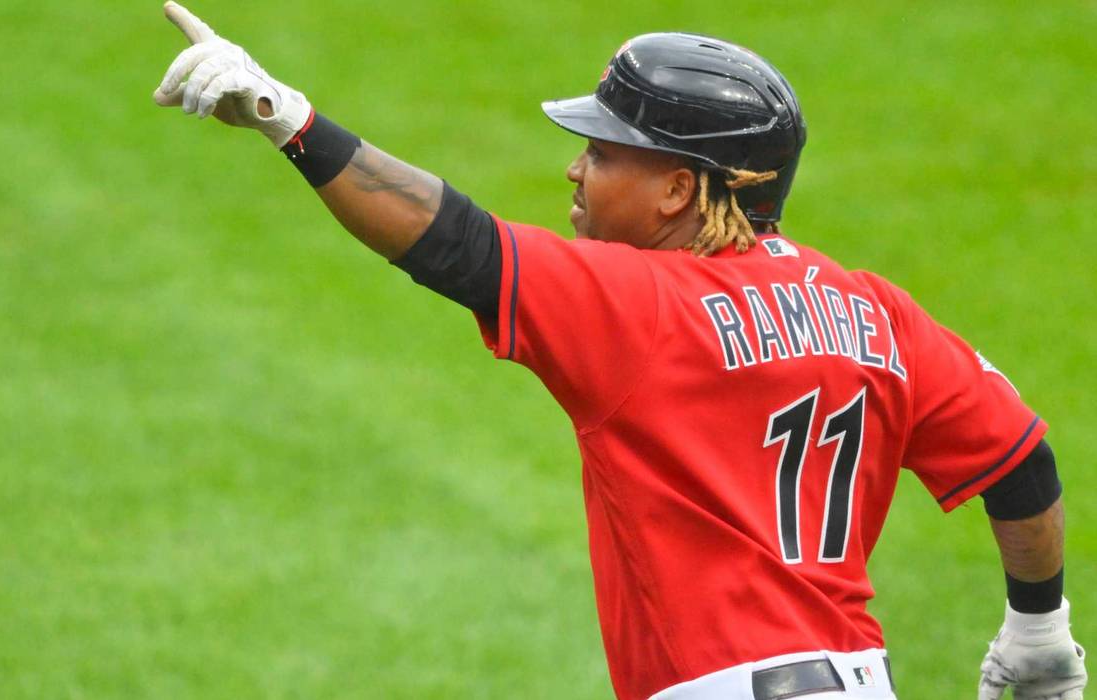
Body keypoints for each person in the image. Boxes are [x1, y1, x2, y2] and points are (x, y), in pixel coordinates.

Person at [150, 3, 1087, 699]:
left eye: (604, 153)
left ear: (677, 189)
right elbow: (1019, 461)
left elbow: (453, 243)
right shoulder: (878, 314)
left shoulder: (641, 306)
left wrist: (288, 120)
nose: (575, 167)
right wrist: (1039, 632)